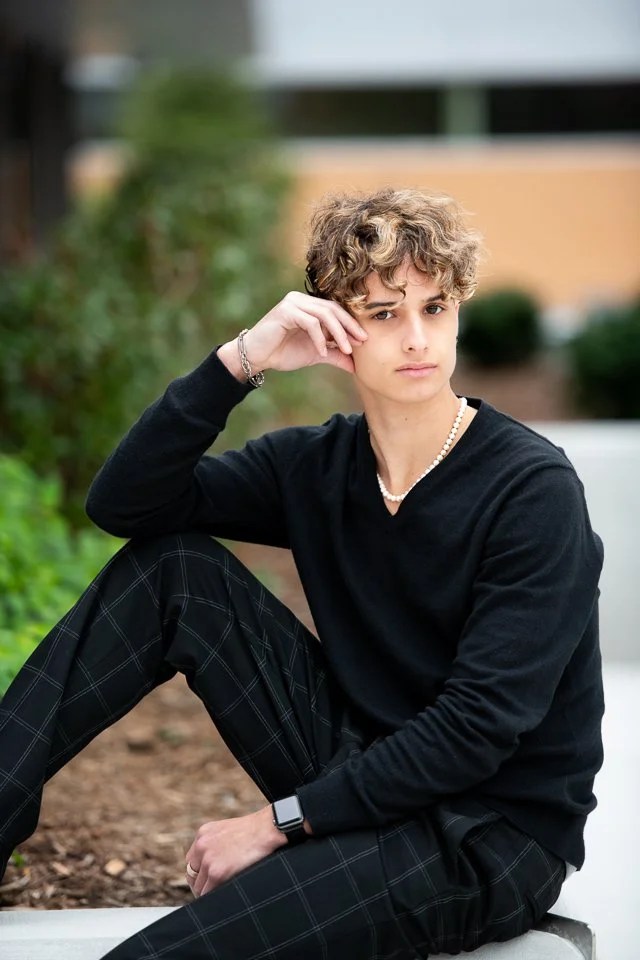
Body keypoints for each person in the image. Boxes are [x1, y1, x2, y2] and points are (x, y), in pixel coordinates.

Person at [0, 188, 604, 960]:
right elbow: (125, 503)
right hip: (362, 773)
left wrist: (278, 821)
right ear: (335, 329)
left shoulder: (531, 491)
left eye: (435, 307)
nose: (417, 338)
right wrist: (240, 360)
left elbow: (475, 730)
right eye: (384, 312)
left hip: (484, 836)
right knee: (173, 568)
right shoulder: (317, 466)